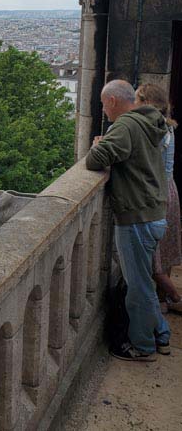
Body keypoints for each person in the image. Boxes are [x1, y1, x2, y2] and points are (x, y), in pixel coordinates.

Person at [85, 79, 170, 361]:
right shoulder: (149, 122)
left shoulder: (125, 125)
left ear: (112, 101)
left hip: (136, 216)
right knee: (144, 280)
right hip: (153, 212)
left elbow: (95, 160)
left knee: (139, 286)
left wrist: (100, 142)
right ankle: (161, 333)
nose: (103, 110)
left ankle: (143, 346)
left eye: (102, 104)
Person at [135, 83, 182, 313]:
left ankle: (174, 296)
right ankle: (163, 298)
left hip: (157, 196)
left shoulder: (152, 129)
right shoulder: (169, 127)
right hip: (170, 191)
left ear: (146, 102)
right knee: (166, 250)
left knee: (153, 256)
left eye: (137, 100)